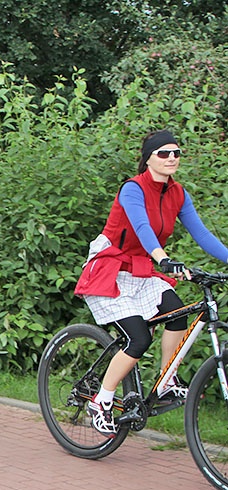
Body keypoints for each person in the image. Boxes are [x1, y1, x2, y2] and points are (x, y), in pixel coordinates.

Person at [75, 129, 228, 438]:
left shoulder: (178, 193)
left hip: (142, 267)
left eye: (176, 153)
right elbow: (142, 226)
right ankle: (101, 400)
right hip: (112, 266)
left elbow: (202, 235)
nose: (172, 158)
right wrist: (163, 258)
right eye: (164, 153)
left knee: (177, 313)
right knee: (139, 338)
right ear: (148, 159)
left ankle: (167, 379)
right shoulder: (132, 189)